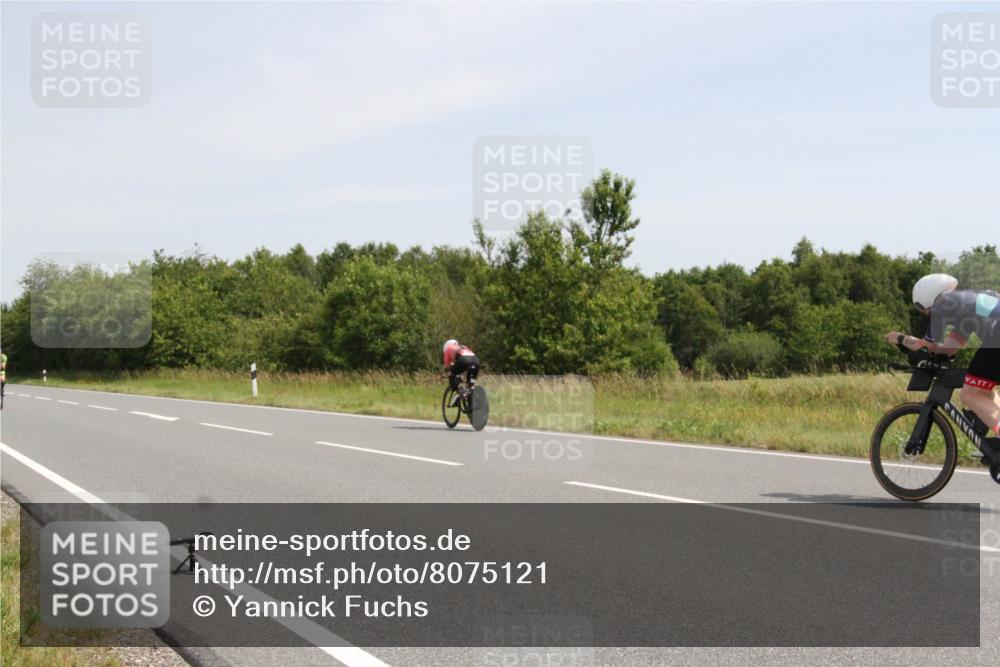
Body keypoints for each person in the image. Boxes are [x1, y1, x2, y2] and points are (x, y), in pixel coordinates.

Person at [885, 273, 1000, 439]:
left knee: (970, 394)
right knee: (982, 389)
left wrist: (900, 338)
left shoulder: (941, 304)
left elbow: (926, 344)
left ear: (926, 298)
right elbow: (946, 350)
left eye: (921, 308)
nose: (925, 313)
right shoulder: (964, 307)